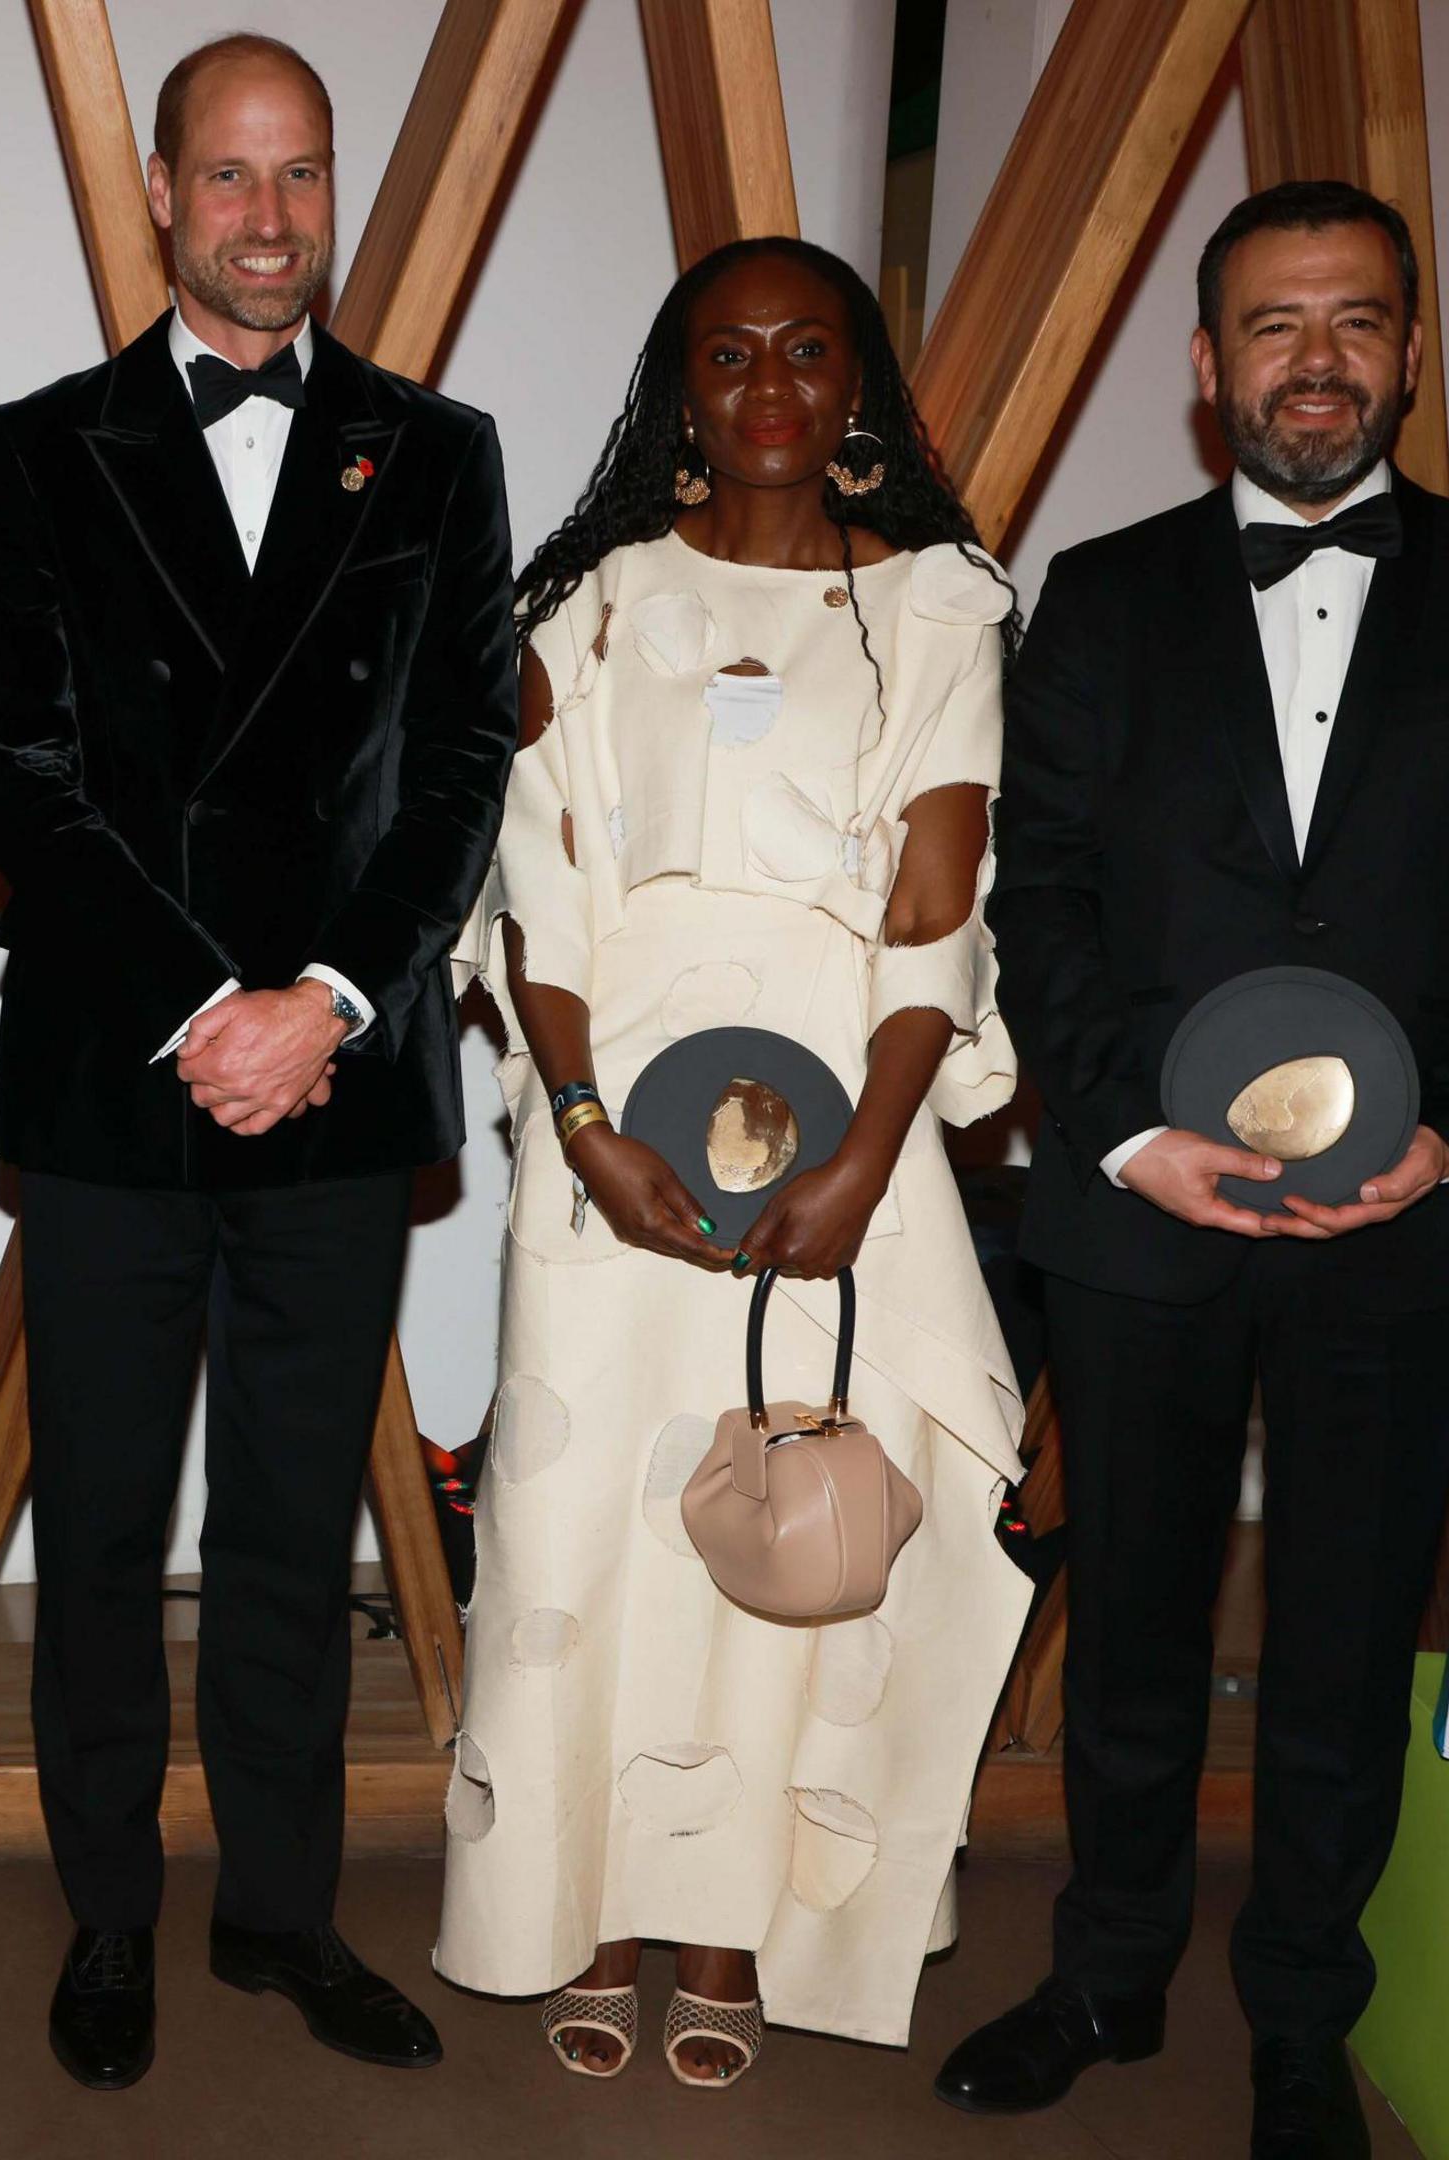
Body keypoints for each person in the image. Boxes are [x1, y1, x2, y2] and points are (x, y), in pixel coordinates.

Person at [933, 181, 1449, 2160]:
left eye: (1354, 322)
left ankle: (1301, 2024)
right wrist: (1124, 1132)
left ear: (1409, 353)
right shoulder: (1099, 595)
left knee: (1340, 1647)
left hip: (1406, 1228)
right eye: (1273, 324)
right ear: (1206, 363)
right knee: (1131, 1630)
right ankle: (1105, 1973)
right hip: (1140, 1212)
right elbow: (1038, 895)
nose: (1315, 361)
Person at [0, 32, 516, 2092]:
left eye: (302, 175)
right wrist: (211, 1010)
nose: (269, 218)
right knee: (102, 1523)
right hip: (123, 1077)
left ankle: (282, 1914)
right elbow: (22, 771)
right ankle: (112, 1909)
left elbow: (463, 763)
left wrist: (328, 1004)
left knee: (294, 1527)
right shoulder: (41, 445)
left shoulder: (435, 450)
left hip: (340, 1084)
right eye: (230, 175)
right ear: (164, 195)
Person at [431, 235, 1036, 2086]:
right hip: (611, 1147)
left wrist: (866, 1161)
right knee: (583, 1523)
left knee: (799, 1521)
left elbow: (937, 906)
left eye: (807, 350)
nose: (769, 386)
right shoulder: (587, 609)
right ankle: (589, 1906)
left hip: (848, 1141)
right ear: (678, 393)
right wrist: (587, 1130)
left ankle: (730, 1924)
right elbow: (535, 898)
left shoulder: (938, 607)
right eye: (727, 355)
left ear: (859, 386)